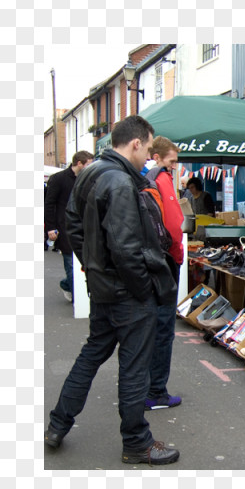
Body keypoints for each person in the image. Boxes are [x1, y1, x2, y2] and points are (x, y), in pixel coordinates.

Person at [44, 115, 180, 465]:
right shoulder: (120, 182)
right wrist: (142, 288)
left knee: (91, 354)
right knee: (134, 367)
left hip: (104, 288)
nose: (149, 155)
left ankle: (58, 423)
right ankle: (136, 442)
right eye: (148, 148)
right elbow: (125, 248)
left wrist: (93, 267)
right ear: (136, 143)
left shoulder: (93, 171)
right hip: (126, 293)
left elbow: (72, 223)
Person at [143, 136, 184, 410]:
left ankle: (143, 387)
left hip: (148, 262)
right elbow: (173, 225)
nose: (174, 166)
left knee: (149, 327)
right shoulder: (161, 178)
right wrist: (178, 256)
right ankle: (156, 392)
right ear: (157, 157)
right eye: (171, 161)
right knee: (163, 329)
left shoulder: (142, 177)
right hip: (164, 264)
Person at [44, 151, 94, 301]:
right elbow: (49, 204)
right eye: (88, 164)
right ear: (79, 163)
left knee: (83, 262)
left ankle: (67, 284)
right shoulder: (58, 179)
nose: (90, 168)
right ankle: (77, 298)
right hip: (64, 226)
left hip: (84, 227)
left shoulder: (88, 179)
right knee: (70, 263)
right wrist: (51, 228)